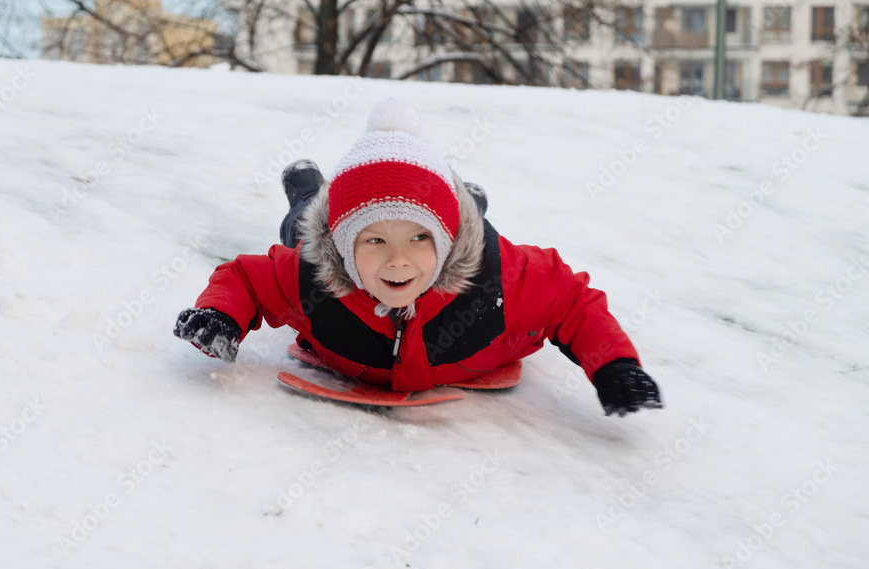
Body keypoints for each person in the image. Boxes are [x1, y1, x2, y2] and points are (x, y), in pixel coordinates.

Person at [174, 98, 662, 416]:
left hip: (457, 228)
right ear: (345, 248)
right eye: (374, 242)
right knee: (302, 224)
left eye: (420, 240)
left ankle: (466, 204)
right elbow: (246, 278)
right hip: (332, 225)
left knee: (464, 221)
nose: (398, 262)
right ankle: (307, 187)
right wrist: (220, 315)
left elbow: (572, 301)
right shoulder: (312, 277)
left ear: (446, 240)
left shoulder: (499, 282)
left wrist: (614, 365)